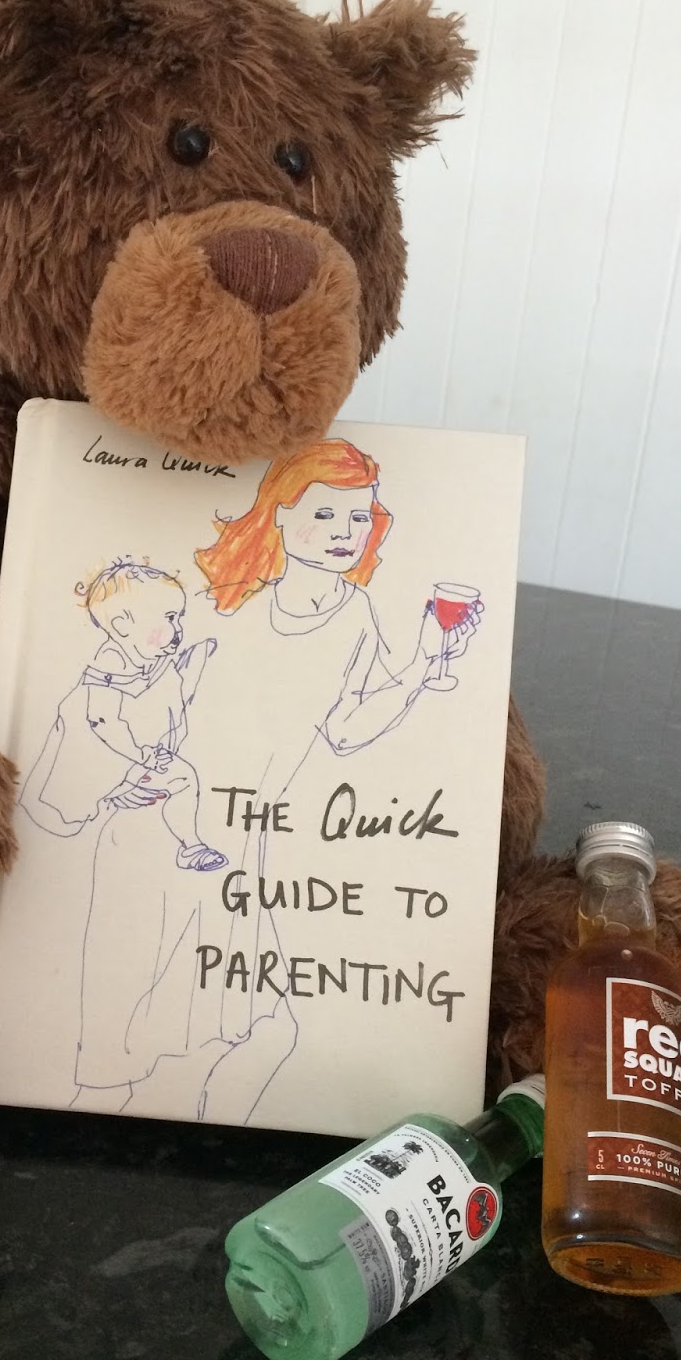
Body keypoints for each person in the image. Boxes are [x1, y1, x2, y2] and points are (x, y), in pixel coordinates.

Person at [171, 438, 480, 1123]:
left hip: (263, 835)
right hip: (189, 821)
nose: (346, 533)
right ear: (279, 513)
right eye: (325, 514)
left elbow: (346, 729)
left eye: (359, 517)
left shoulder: (356, 612)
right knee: (195, 1017)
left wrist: (423, 666)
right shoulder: (230, 604)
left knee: (256, 1019)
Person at [20, 559, 226, 872]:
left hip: (134, 760)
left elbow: (170, 701)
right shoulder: (109, 667)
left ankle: (191, 847)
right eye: (169, 617)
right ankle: (113, 796)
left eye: (178, 617)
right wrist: (140, 758)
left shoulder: (151, 662)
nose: (178, 629)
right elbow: (102, 724)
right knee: (70, 818)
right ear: (122, 626)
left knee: (184, 779)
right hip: (103, 761)